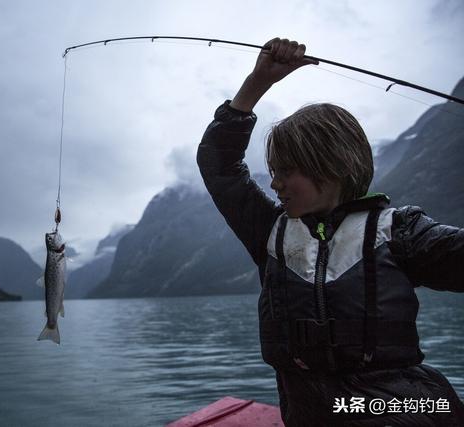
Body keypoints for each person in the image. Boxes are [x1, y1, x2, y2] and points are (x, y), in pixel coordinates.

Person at [196, 37, 464, 426]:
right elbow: (219, 165)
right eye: (273, 173)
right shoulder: (270, 231)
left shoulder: (400, 232)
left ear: (329, 164)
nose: (275, 185)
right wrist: (258, 82)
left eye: (286, 171)